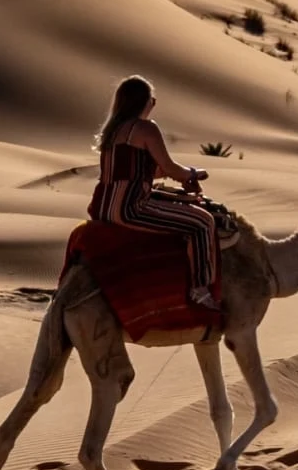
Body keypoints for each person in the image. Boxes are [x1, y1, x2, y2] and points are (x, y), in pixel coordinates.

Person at [90, 75, 221, 308]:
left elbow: (142, 171)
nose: (154, 104)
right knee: (203, 221)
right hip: (130, 208)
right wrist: (193, 174)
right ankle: (199, 289)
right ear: (144, 101)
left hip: (102, 207)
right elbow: (170, 167)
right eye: (153, 99)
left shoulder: (113, 130)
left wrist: (178, 175)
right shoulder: (145, 128)